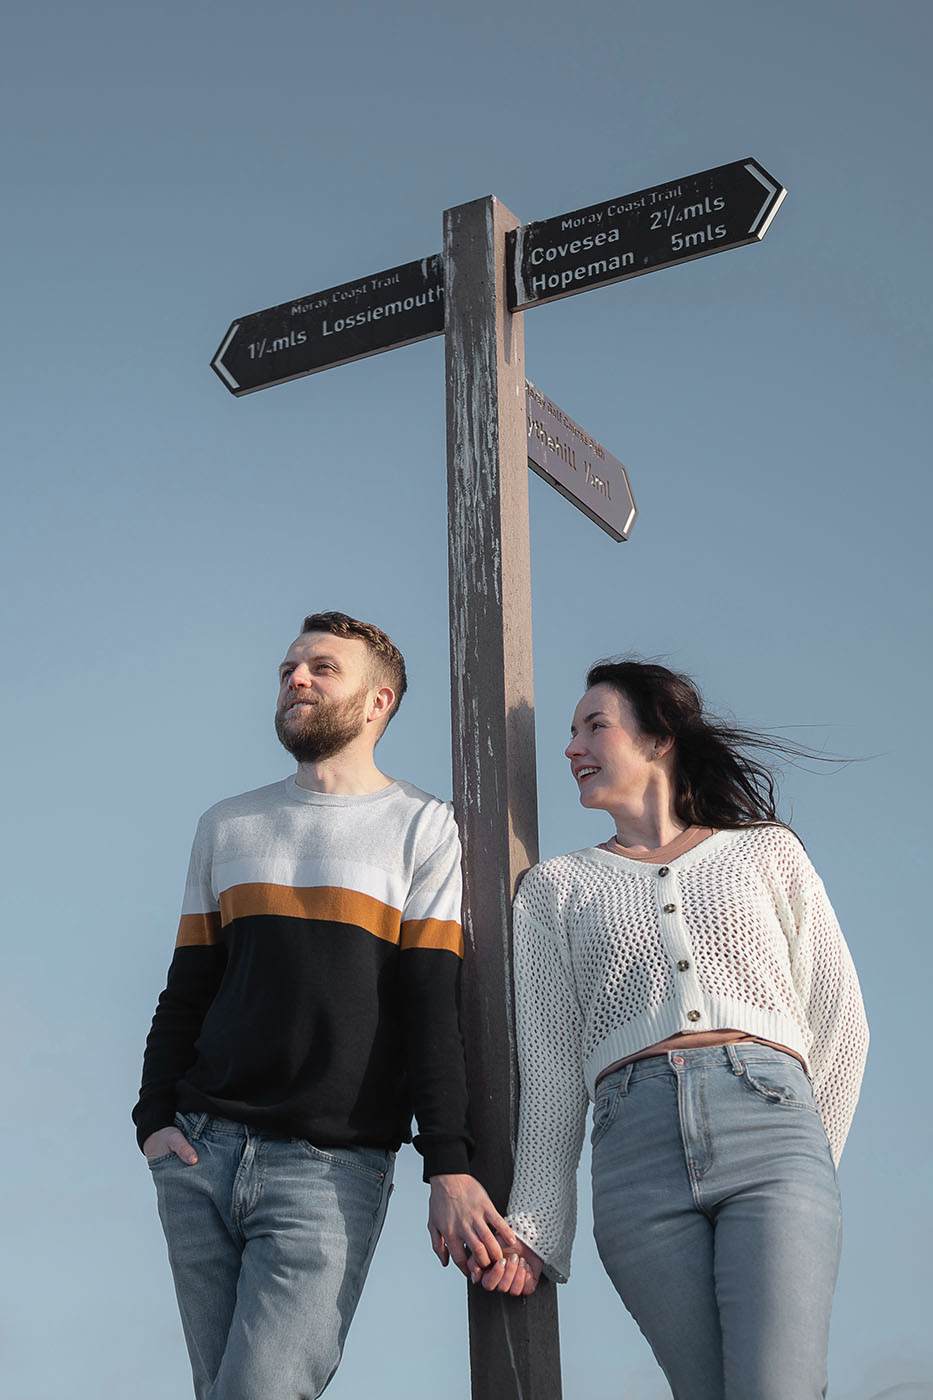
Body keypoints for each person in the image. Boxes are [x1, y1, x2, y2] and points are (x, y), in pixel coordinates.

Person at [134, 610, 515, 1400]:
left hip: (329, 1168)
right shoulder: (227, 824)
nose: (295, 679)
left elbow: (429, 1004)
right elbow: (188, 987)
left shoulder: (423, 828)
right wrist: (152, 1121)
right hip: (199, 1152)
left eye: (320, 668)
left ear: (378, 703)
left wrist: (446, 1160)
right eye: (287, 669)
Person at [481, 658, 868, 1400]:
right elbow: (554, 1071)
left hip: (771, 1136)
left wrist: (813, 1167)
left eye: (594, 726)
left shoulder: (765, 850)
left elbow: (841, 1025)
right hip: (634, 1161)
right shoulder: (555, 890)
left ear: (659, 739)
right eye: (569, 733)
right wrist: (536, 1222)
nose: (571, 748)